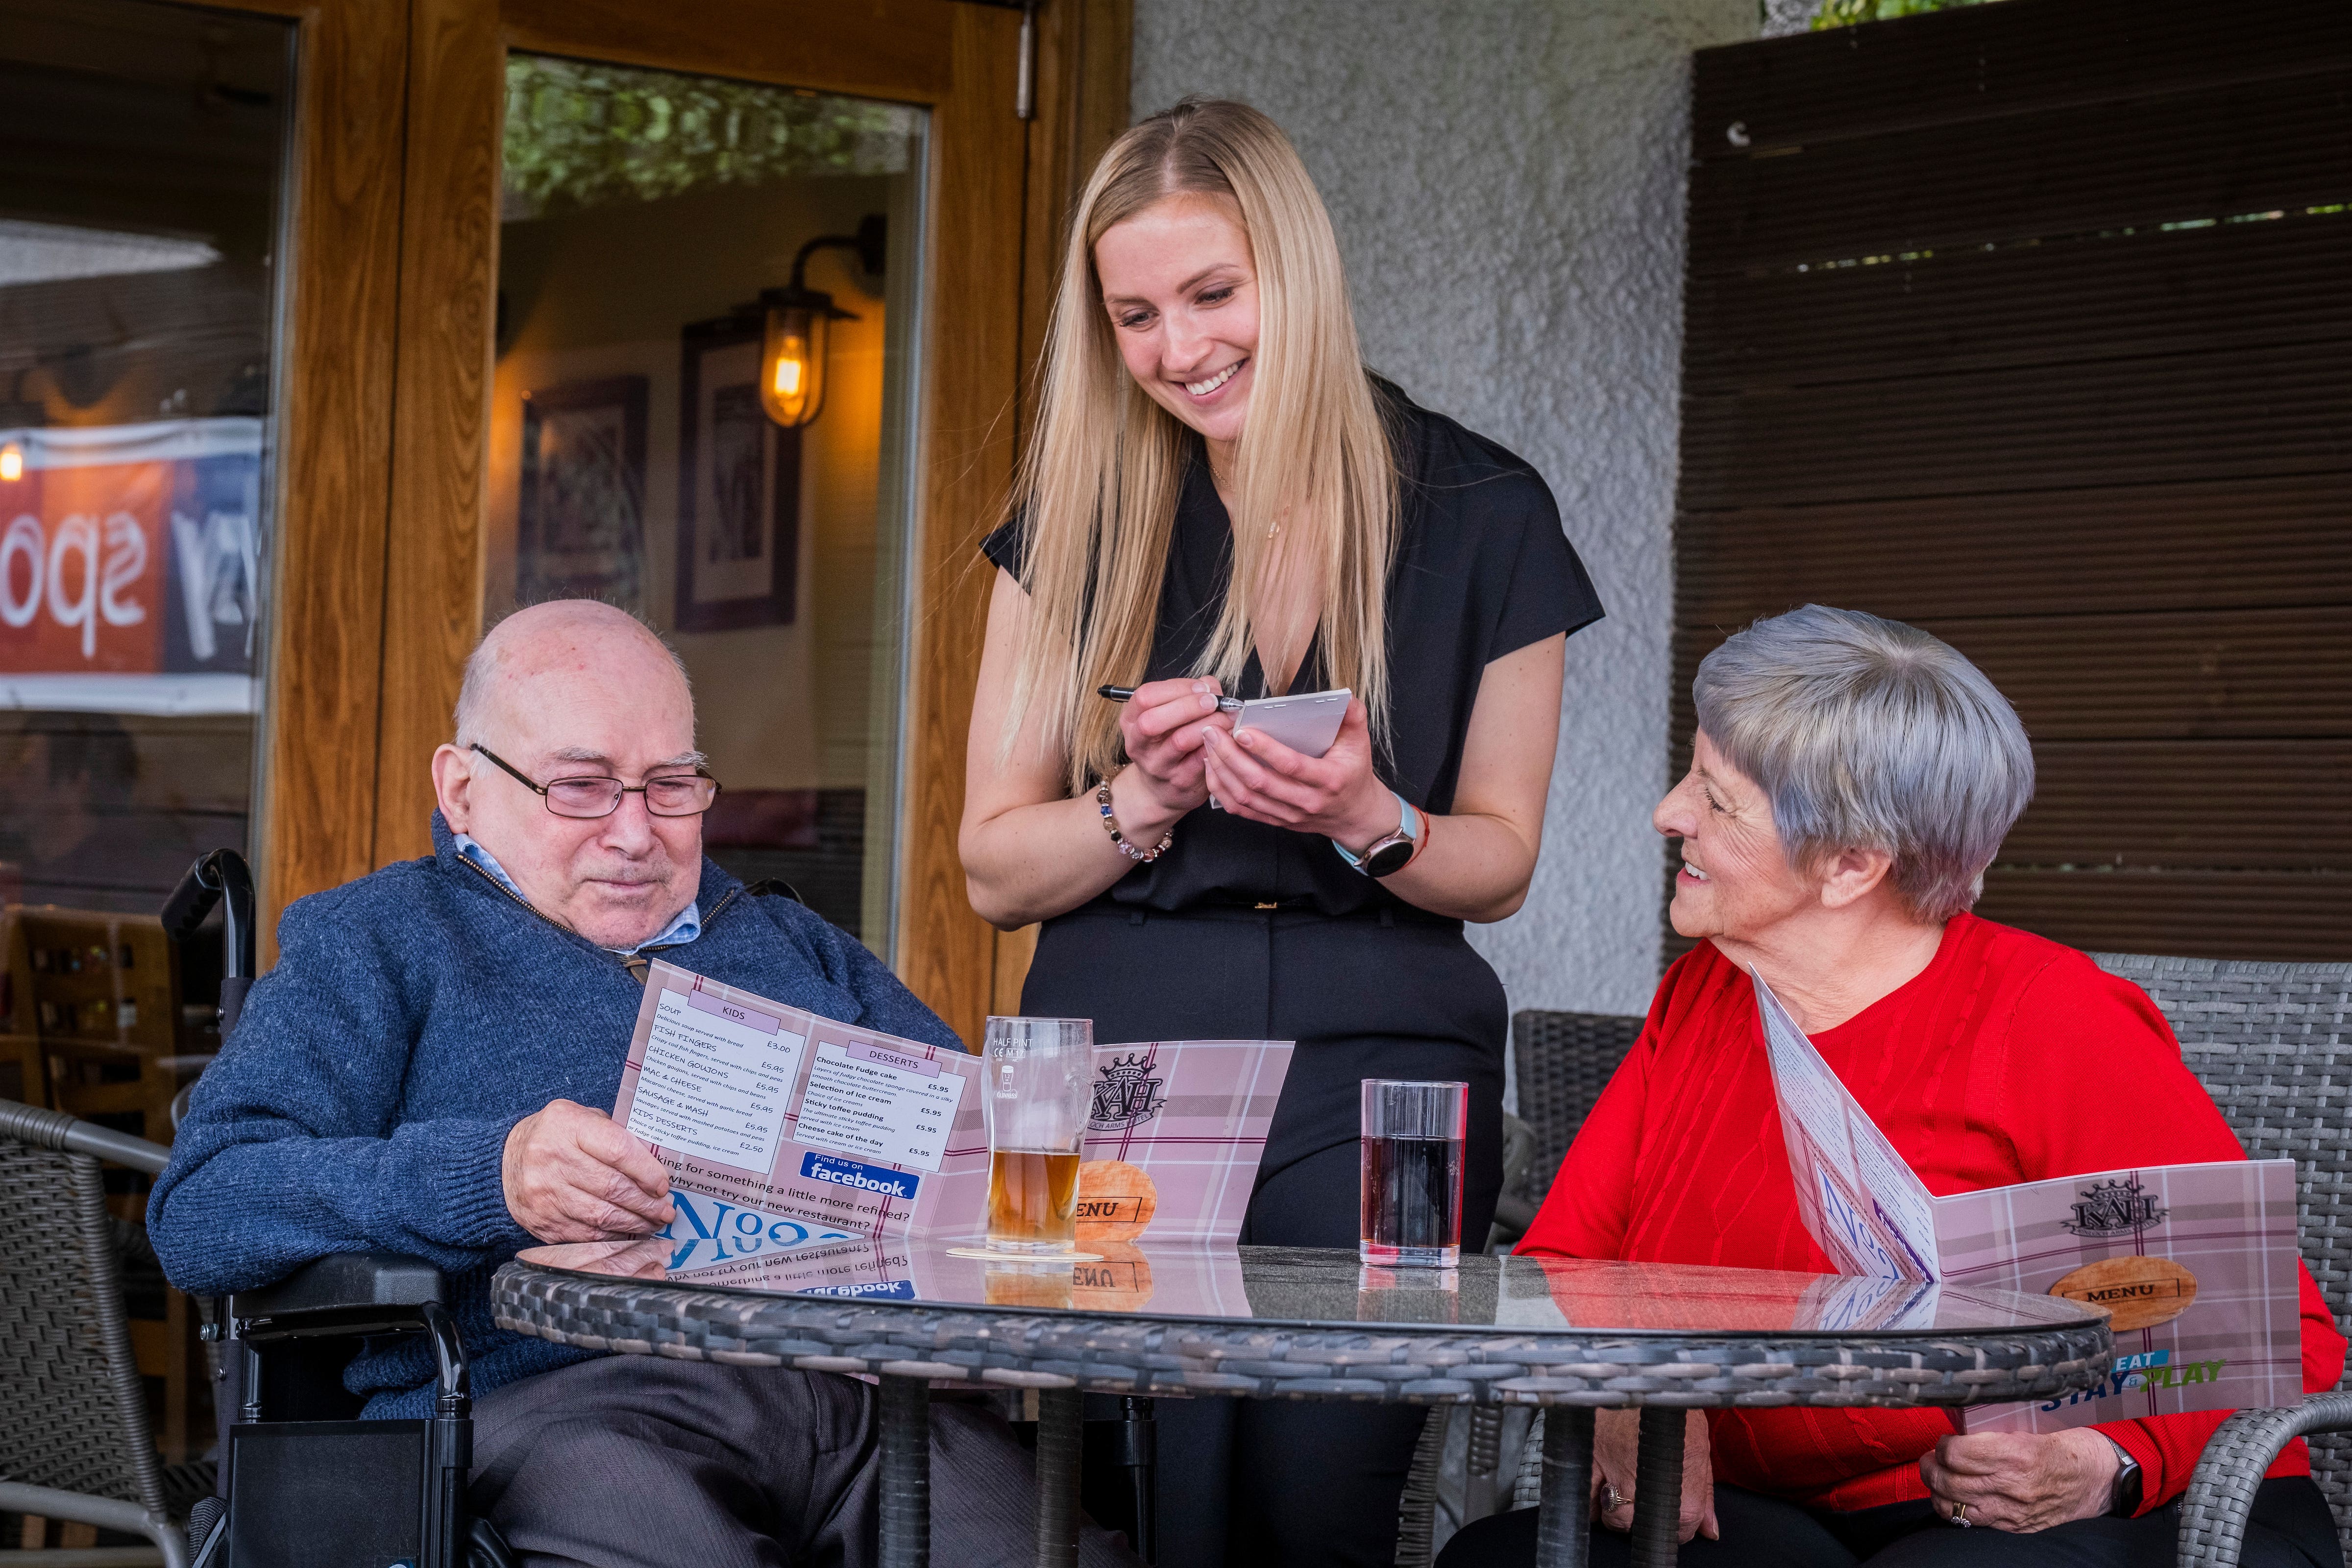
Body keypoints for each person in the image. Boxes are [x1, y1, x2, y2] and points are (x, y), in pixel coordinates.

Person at [150, 600, 1139, 1568]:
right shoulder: (382, 939)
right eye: (581, 787)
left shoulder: (787, 940)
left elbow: (977, 1146)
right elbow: (203, 1205)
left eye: (671, 785)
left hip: (852, 1399)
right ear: (462, 790)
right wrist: (489, 1177)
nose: (635, 833)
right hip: (553, 1398)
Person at [958, 98, 1603, 1568]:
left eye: (1212, 295)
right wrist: (1144, 802)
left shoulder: (1490, 510)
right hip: (1118, 1044)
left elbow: (1498, 860)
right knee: (1144, 1495)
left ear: (1295, 275)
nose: (1179, 349)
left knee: (1327, 1482)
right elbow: (995, 867)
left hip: (1396, 1060)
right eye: (1135, 315)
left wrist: (1374, 821)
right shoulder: (1077, 517)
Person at [1438, 605, 2347, 1568]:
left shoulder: (2050, 1016)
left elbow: (2270, 1333)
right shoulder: (1703, 995)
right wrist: (1619, 1388)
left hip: (2109, 1507)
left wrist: (2108, 1457)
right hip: (1797, 1506)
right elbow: (1561, 1262)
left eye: (1718, 797)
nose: (1670, 814)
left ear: (1852, 864)